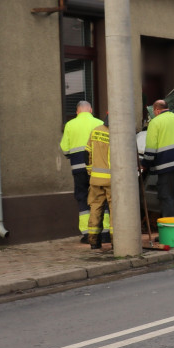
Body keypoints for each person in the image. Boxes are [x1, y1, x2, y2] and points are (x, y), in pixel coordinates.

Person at [143, 100, 174, 239]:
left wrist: (145, 163)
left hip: (166, 166)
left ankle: (169, 233)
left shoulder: (155, 123)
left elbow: (151, 147)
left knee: (167, 198)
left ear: (156, 110)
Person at [59, 101, 103, 243]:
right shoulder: (99, 123)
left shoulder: (70, 125)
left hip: (78, 168)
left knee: (82, 197)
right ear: (90, 110)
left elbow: (65, 148)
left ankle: (87, 234)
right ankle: (106, 232)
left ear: (77, 112)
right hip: (98, 169)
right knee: (102, 197)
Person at [85, 122, 112, 250]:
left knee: (95, 207)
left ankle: (94, 241)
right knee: (115, 210)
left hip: (95, 178)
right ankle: (116, 241)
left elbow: (86, 153)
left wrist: (90, 171)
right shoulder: (117, 134)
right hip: (112, 180)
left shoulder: (95, 130)